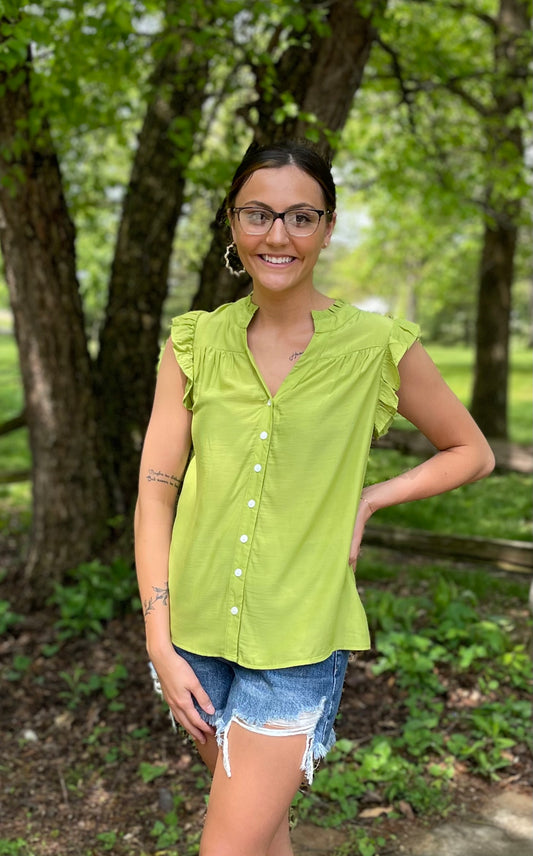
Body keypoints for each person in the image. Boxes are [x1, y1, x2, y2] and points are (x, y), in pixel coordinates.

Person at [134, 140, 495, 856]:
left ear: (328, 228)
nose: (278, 235)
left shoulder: (373, 347)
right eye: (258, 214)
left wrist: (367, 500)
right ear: (231, 223)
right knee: (264, 837)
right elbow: (155, 493)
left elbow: (472, 452)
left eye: (301, 217)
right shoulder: (194, 343)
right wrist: (158, 638)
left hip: (295, 644)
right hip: (190, 637)